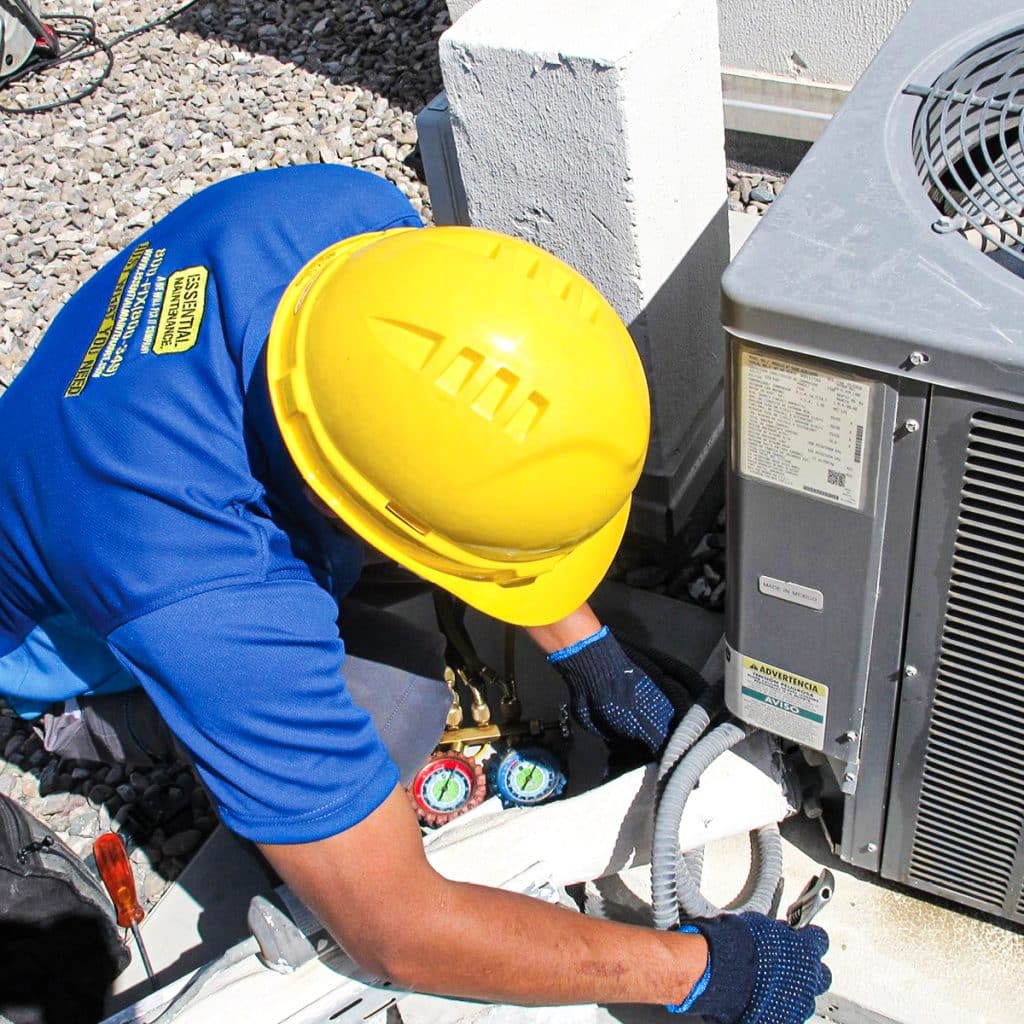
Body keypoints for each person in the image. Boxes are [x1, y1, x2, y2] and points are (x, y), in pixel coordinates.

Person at [0, 164, 829, 1022]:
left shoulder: (350, 229)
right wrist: (695, 972)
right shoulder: (202, 591)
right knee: (394, 718)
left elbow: (451, 445)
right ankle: (221, 768)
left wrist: (593, 658)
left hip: (123, 462)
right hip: (74, 658)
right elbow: (394, 930)